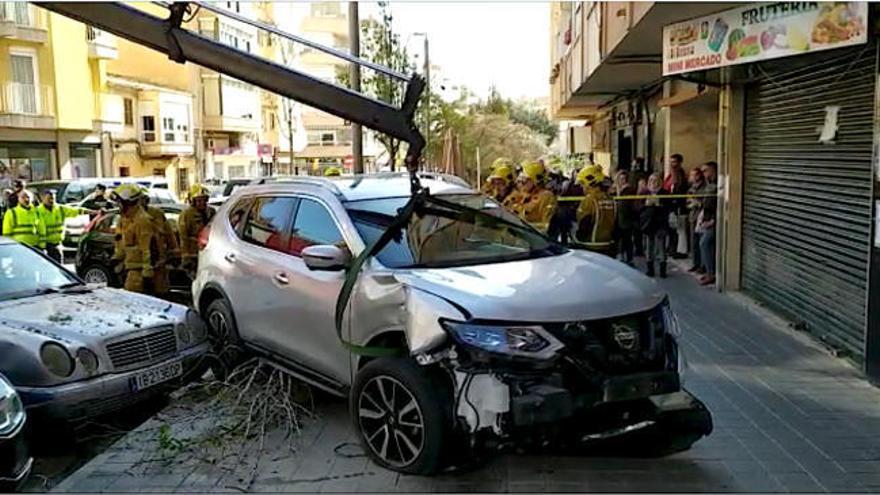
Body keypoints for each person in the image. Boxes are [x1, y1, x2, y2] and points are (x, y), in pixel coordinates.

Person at [111, 184, 158, 295]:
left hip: (139, 274)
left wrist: (147, 275)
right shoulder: (125, 219)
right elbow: (123, 244)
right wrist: (116, 259)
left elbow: (147, 249)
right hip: (129, 269)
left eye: (119, 202)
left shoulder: (142, 220)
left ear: (127, 202)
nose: (118, 205)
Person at [139, 188, 178, 297]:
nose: (142, 203)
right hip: (140, 266)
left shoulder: (157, 214)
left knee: (161, 294)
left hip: (159, 262)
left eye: (144, 200)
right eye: (140, 200)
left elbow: (169, 235)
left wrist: (175, 253)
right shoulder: (131, 218)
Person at [574, 164, 616, 254]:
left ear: (589, 182)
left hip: (591, 245)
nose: (582, 187)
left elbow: (585, 222)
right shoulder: (610, 199)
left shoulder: (589, 200)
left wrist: (579, 237)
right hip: (608, 244)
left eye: (582, 183)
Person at [506, 160, 557, 230]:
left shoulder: (546, 196)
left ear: (535, 181)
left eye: (525, 180)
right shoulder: (519, 194)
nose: (522, 183)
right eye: (521, 179)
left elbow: (545, 225)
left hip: (532, 236)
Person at [36, 190, 85, 263]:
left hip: (56, 244)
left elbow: (77, 211)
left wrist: (96, 212)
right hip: (42, 245)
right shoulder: (37, 211)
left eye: (53, 198)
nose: (51, 200)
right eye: (49, 198)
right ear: (43, 199)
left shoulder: (60, 209)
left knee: (58, 267)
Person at [179, 184, 216, 279]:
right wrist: (186, 257)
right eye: (198, 200)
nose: (202, 203)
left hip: (209, 252)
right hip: (194, 255)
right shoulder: (187, 215)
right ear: (193, 201)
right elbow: (183, 236)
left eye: (204, 200)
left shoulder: (211, 212)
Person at [640, 173, 670, 278]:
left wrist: (658, 205)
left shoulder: (665, 193)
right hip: (648, 223)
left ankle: (663, 270)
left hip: (661, 223)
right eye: (651, 180)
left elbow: (669, 207)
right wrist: (646, 205)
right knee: (649, 246)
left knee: (661, 246)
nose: (653, 182)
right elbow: (638, 207)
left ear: (660, 182)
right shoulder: (644, 193)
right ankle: (650, 269)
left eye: (656, 180)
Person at [697, 161, 718, 286]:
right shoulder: (709, 184)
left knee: (704, 243)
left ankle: (711, 273)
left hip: (712, 221)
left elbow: (719, 204)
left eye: (705, 171)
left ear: (712, 170)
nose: (703, 174)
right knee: (706, 245)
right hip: (706, 218)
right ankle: (708, 270)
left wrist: (713, 220)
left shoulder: (717, 184)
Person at [663, 154, 688, 259]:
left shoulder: (680, 175)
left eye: (674, 162)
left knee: (680, 229)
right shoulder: (670, 175)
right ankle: (673, 248)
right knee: (673, 229)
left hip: (678, 206)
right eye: (671, 162)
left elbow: (678, 190)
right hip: (670, 206)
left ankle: (681, 251)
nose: (672, 164)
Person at [613, 170, 638, 265]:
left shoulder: (629, 190)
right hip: (617, 217)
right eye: (620, 178)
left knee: (627, 239)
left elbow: (627, 203)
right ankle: (620, 255)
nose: (622, 180)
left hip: (626, 217)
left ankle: (629, 258)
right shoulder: (615, 189)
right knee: (618, 238)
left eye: (624, 179)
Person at [687, 167, 707, 274]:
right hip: (692, 216)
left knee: (701, 242)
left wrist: (698, 203)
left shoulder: (705, 188)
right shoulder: (691, 188)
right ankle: (695, 263)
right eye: (691, 175)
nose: (692, 177)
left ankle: (703, 265)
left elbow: (706, 202)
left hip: (701, 217)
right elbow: (687, 200)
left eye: (694, 175)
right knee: (693, 242)